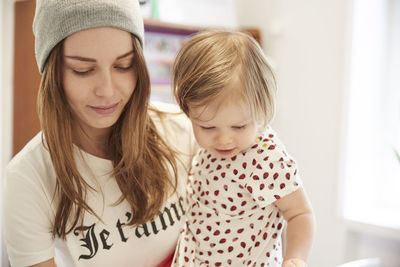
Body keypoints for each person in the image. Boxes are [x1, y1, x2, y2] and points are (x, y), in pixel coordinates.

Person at [2, 1, 196, 266]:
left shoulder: (183, 128)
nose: (107, 91)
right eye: (83, 70)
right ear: (52, 73)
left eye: (124, 66)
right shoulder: (29, 178)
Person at [171, 30, 315, 267]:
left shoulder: (265, 158)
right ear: (184, 106)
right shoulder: (205, 150)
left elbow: (300, 214)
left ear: (260, 108)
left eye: (239, 126)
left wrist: (295, 258)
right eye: (207, 127)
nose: (224, 140)